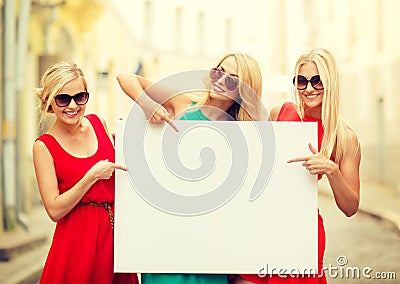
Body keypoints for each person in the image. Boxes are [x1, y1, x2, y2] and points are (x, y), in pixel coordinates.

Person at [117, 52, 266, 284]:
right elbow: (125, 77)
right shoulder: (184, 103)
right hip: (166, 237)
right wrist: (147, 105)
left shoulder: (245, 133)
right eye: (219, 71)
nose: (221, 79)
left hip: (212, 247)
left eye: (232, 79)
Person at [235, 48, 361, 284]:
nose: (309, 88)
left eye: (317, 81)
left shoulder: (345, 138)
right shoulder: (279, 112)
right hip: (265, 223)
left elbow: (350, 207)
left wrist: (331, 170)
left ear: (330, 82)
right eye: (301, 81)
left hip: (302, 230)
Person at [33, 62, 139, 284]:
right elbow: (54, 209)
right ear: (50, 101)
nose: (73, 105)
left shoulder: (98, 123)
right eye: (63, 99)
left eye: (80, 97)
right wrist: (90, 176)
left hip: (114, 235)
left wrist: (124, 147)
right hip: (76, 240)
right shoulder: (44, 146)